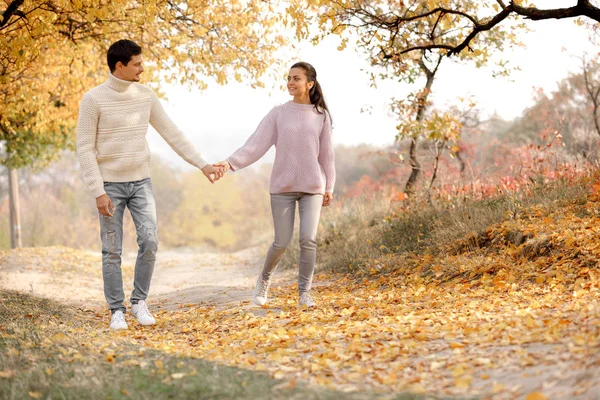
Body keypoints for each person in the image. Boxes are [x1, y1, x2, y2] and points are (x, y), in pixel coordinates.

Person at [76, 39, 223, 330]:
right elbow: (84, 147)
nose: (142, 68)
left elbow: (172, 133)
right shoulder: (93, 99)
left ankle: (138, 302)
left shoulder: (145, 95)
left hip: (141, 182)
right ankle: (116, 310)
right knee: (112, 249)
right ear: (120, 66)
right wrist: (98, 191)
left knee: (150, 241)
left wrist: (202, 164)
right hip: (109, 185)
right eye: (137, 64)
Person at [215, 61, 336, 308]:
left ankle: (305, 293)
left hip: (313, 186)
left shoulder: (321, 116)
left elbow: (327, 156)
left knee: (308, 239)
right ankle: (264, 279)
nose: (290, 83)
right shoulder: (278, 113)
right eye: (289, 78)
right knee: (281, 241)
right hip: (282, 187)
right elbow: (256, 144)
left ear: (309, 84)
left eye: (296, 79)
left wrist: (330, 186)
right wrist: (230, 163)